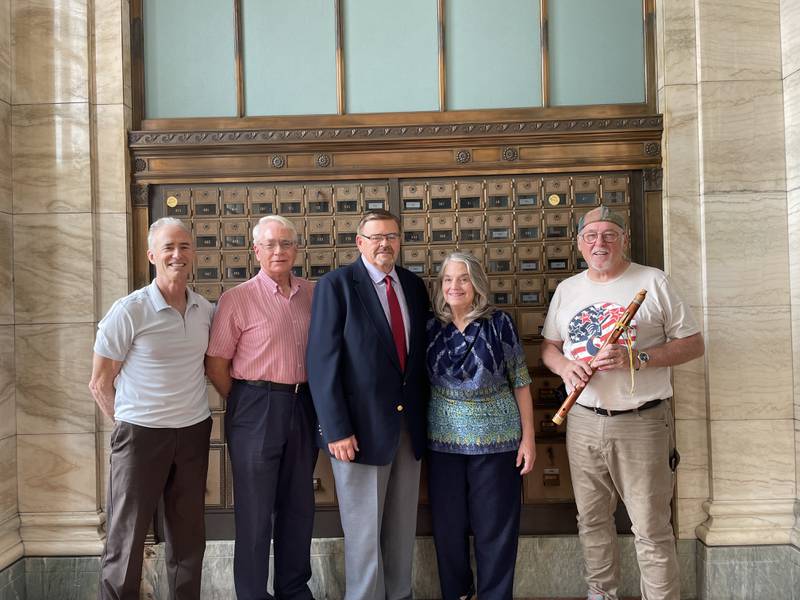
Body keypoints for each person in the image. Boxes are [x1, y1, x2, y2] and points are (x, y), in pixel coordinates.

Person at [541, 206, 704, 600]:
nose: (600, 243)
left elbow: (693, 344)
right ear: (580, 244)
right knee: (592, 521)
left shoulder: (653, 280)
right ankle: (602, 594)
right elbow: (549, 347)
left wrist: (640, 358)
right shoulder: (568, 289)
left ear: (624, 239)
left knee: (650, 526)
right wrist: (565, 367)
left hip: (642, 422)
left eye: (609, 234)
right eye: (591, 236)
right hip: (582, 419)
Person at [307, 209, 430, 600]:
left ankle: (400, 594)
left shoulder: (413, 285)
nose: (384, 244)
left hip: (408, 430)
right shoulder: (337, 286)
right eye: (375, 237)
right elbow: (321, 364)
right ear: (359, 243)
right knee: (363, 536)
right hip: (357, 434)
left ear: (399, 241)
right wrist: (336, 429)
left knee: (400, 528)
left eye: (391, 236)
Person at [89, 217, 214, 600]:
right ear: (152, 256)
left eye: (184, 247)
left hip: (193, 432)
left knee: (189, 537)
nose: (178, 255)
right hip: (140, 436)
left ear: (193, 253)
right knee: (126, 538)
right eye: (168, 248)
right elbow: (99, 382)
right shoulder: (129, 310)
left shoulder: (205, 309)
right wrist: (129, 423)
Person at [205, 215, 316, 600]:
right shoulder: (236, 299)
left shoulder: (312, 294)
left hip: (303, 405)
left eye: (285, 243)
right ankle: (252, 594)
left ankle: (294, 590)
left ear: (296, 249)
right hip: (255, 404)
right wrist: (246, 399)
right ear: (256, 251)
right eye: (270, 244)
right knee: (254, 513)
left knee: (299, 507)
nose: (279, 251)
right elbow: (216, 363)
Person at [426, 252, 535, 600]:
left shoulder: (499, 323)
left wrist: (528, 439)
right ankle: (458, 593)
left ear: (477, 284)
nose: (455, 286)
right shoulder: (430, 325)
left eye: (463, 278)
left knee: (496, 529)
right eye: (448, 279)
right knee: (448, 528)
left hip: (498, 441)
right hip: (443, 443)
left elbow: (520, 381)